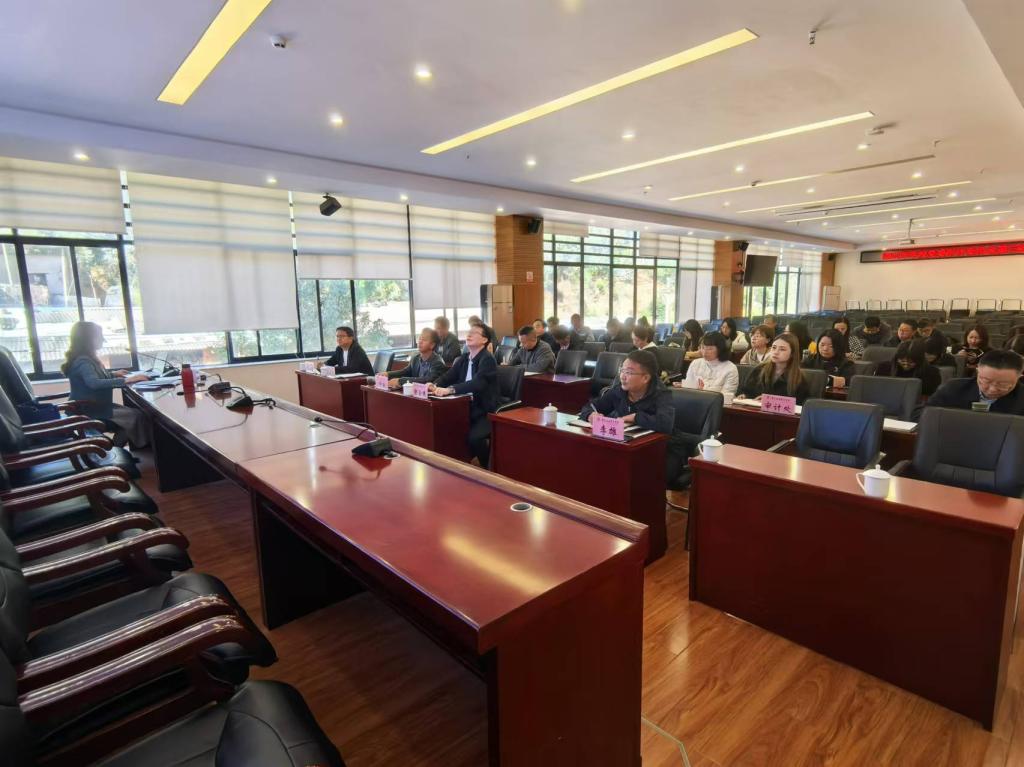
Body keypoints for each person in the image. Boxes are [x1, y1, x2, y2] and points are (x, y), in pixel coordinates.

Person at [63, 321, 151, 447]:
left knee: (135, 417)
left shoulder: (87, 358)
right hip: (88, 411)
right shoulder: (83, 361)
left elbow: (96, 376)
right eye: (99, 336)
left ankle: (114, 450)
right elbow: (94, 383)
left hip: (95, 406)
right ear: (88, 339)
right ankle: (113, 451)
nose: (103, 340)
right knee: (135, 417)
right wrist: (127, 380)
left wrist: (114, 374)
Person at [429, 324, 499, 466]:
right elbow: (448, 376)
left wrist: (451, 390)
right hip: (464, 407)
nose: (469, 334)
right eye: (469, 332)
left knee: (474, 438)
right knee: (445, 429)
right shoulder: (464, 358)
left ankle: (487, 467)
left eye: (474, 332)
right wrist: (433, 384)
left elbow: (477, 383)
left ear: (484, 340)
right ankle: (458, 464)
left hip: (484, 410)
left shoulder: (487, 359)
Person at [579, 350, 673, 434]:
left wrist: (635, 417)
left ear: (645, 378)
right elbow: (591, 406)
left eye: (628, 372)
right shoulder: (618, 391)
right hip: (624, 442)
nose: (622, 377)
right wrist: (590, 415)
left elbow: (666, 424)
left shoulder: (661, 394)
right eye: (622, 370)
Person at [918, 349, 1024, 417]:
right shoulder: (953, 388)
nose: (992, 389)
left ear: (1019, 378)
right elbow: (924, 414)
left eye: (1003, 385)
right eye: (985, 381)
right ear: (977, 372)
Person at [739, 333, 810, 404]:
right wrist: (744, 396)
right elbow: (747, 391)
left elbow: (800, 403)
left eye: (782, 349)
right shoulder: (759, 369)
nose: (776, 352)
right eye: (774, 347)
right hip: (755, 409)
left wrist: (771, 400)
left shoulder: (798, 378)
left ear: (792, 353)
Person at [678, 332, 738, 397]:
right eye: (703, 347)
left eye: (710, 349)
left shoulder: (730, 368)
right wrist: (683, 386)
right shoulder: (695, 363)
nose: (705, 352)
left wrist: (702, 391)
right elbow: (687, 390)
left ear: (720, 349)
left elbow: (727, 396)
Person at [877, 339, 941, 397]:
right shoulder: (884, 367)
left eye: (911, 362)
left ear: (920, 360)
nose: (906, 364)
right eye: (902, 361)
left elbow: (930, 395)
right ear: (896, 358)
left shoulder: (932, 373)